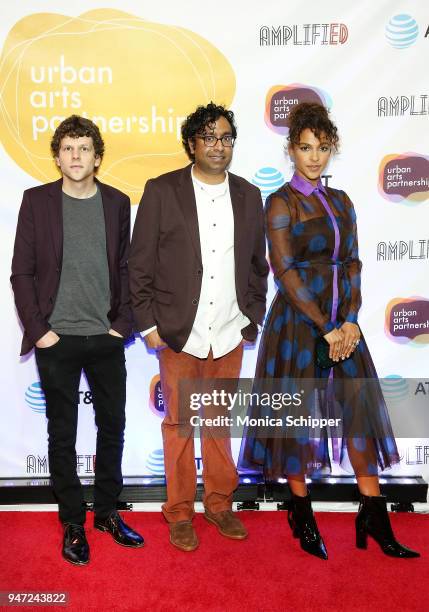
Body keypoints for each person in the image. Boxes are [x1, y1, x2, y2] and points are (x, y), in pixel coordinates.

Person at [239, 102, 419, 560]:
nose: (314, 157)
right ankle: (301, 511)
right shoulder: (281, 201)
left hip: (344, 324)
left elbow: (353, 262)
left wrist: (351, 320)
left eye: (321, 148)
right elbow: (285, 271)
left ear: (331, 149)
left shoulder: (342, 201)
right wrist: (325, 327)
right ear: (291, 150)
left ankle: (373, 514)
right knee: (298, 421)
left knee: (359, 413)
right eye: (305, 148)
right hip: (300, 326)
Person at [129, 102, 269, 551]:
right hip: (178, 332)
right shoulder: (162, 191)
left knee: (219, 422)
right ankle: (180, 512)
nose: (218, 146)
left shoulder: (249, 195)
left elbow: (256, 266)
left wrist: (252, 318)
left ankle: (220, 505)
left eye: (226, 137)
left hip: (229, 331)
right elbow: (140, 265)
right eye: (208, 137)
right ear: (191, 143)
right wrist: (148, 325)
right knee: (180, 424)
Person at [11, 115, 144, 566]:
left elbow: (126, 267)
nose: (75, 156)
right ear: (57, 156)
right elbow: (21, 272)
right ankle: (72, 521)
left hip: (105, 337)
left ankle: (106, 512)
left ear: (98, 157)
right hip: (57, 339)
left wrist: (121, 326)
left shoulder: (117, 202)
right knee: (62, 434)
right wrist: (40, 330)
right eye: (68, 148)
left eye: (84, 148)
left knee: (113, 428)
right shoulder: (37, 202)